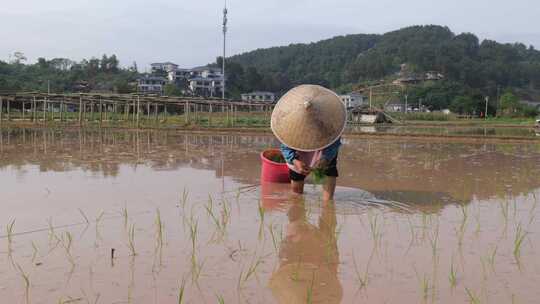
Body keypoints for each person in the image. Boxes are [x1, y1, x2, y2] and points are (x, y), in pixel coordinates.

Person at [270, 85, 346, 200]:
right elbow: (285, 147)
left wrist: (325, 159)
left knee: (328, 195)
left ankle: (327, 206)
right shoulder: (290, 124)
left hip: (324, 148)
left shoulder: (329, 123)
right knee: (296, 196)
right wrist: (295, 161)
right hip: (299, 152)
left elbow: (335, 142)